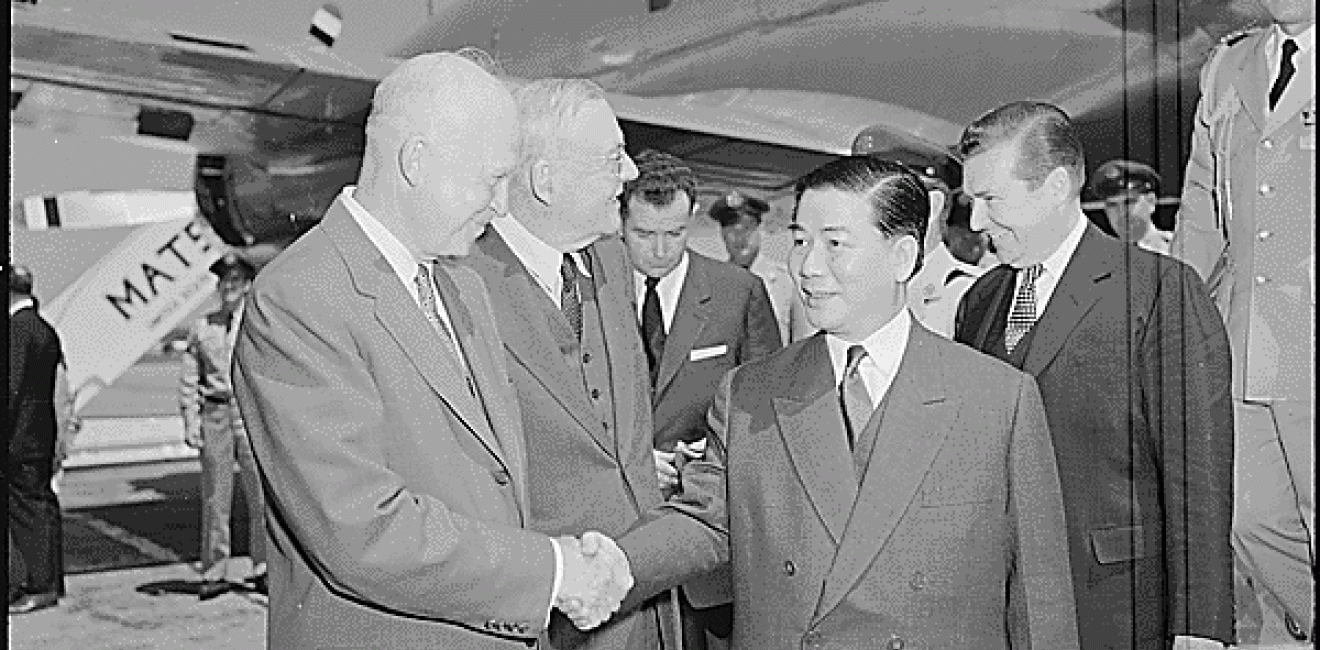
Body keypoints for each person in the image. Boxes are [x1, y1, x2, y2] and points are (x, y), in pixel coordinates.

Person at [231, 52, 631, 650]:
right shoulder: (298, 299)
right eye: (492, 179)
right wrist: (555, 570)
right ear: (416, 162)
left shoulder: (462, 282)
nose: (502, 205)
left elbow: (491, 479)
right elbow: (364, 531)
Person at [613, 156, 1080, 649]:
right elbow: (701, 521)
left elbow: (1040, 598)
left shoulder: (997, 400)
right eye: (799, 242)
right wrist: (608, 566)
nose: (808, 267)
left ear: (902, 256)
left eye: (834, 244)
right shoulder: (749, 394)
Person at [952, 101, 1235, 650]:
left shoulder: (1157, 290)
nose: (977, 222)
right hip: (999, 615)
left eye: (990, 200)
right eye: (971, 202)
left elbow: (1196, 476)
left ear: (1056, 186)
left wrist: (1199, 629)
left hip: (1117, 610)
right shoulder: (978, 303)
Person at [459, 78, 674, 650]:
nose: (630, 173)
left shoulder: (608, 259)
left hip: (648, 610)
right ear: (544, 181)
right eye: (613, 158)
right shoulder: (462, 286)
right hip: (547, 623)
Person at [1172, 1, 1315, 643]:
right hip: (1244, 334)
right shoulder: (1230, 64)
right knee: (1246, 516)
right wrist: (1177, 307)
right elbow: (1202, 199)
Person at [620, 149, 782, 650]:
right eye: (643, 234)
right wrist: (633, 458)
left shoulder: (738, 292)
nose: (660, 250)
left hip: (706, 536)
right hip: (621, 532)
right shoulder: (588, 292)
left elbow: (767, 415)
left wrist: (707, 460)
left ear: (691, 218)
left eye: (674, 234)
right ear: (619, 220)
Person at [179, 252, 267, 600]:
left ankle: (262, 568)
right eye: (224, 282)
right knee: (216, 497)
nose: (228, 287)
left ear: (246, 285)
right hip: (215, 413)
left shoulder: (259, 323)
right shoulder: (203, 328)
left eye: (235, 281)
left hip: (250, 414)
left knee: (260, 496)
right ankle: (215, 570)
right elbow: (189, 379)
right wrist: (190, 420)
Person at [7, 264, 67, 615]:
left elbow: (11, 390)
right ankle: (49, 582)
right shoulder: (44, 329)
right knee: (42, 509)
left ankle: (37, 585)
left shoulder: (17, 330)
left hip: (19, 440)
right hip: (39, 436)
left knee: (27, 514)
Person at [708, 192, 809, 343]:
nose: (740, 237)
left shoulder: (787, 282)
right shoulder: (711, 285)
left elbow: (803, 344)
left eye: (747, 228)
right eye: (732, 231)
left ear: (760, 230)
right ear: (722, 234)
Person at [1088, 159, 1172, 256]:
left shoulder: (1179, 248)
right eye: (1112, 205)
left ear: (1151, 201)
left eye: (1128, 202)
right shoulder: (1099, 258)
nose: (1121, 212)